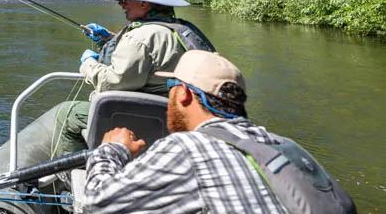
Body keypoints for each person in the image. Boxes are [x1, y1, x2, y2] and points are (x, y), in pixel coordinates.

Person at [73, 51, 356, 213]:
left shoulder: (187, 148)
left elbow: (97, 204)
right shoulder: (287, 146)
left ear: (183, 93)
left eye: (170, 87)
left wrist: (113, 150)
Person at [52, 0, 214, 156]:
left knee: (66, 114)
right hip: (178, 116)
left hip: (144, 117)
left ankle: (74, 170)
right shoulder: (183, 29)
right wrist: (108, 40)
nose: (121, 4)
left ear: (144, 3)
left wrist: (87, 63)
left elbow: (111, 83)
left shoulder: (140, 37)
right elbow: (153, 55)